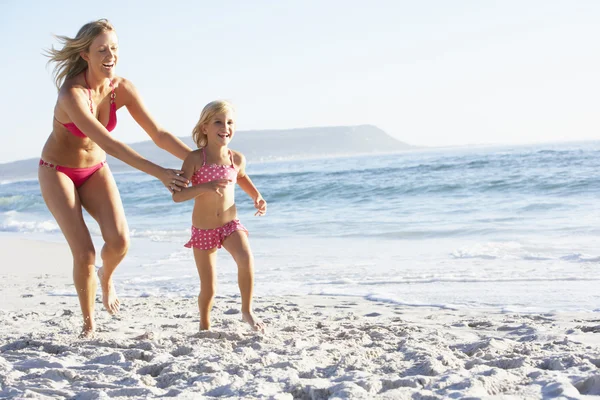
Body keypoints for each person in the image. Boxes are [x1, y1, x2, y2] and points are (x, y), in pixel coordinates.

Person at [38, 19, 192, 337]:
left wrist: (197, 160)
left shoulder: (121, 88)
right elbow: (110, 143)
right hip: (57, 172)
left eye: (114, 48)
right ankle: (88, 324)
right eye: (102, 50)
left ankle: (106, 278)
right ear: (85, 55)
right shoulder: (72, 94)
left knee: (120, 242)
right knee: (84, 253)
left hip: (95, 170)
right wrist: (161, 173)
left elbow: (159, 134)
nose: (110, 55)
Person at [173, 100, 266, 333]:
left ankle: (247, 311)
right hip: (203, 229)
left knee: (246, 259)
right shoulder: (196, 159)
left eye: (230, 122)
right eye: (218, 122)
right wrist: (206, 186)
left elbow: (241, 177)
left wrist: (256, 196)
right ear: (205, 127)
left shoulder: (236, 158)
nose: (225, 127)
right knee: (209, 288)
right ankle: (204, 326)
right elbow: (178, 196)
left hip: (229, 224)